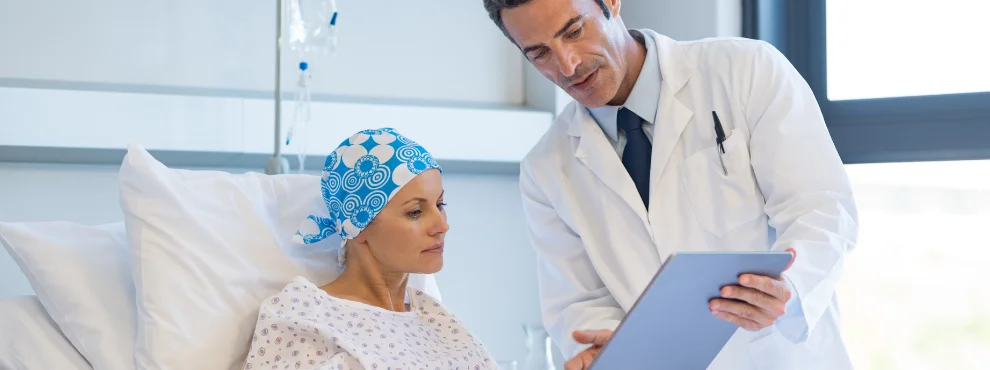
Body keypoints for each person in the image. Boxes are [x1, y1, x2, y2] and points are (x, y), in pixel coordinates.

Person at [482, 0, 859, 369]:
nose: (568, 64)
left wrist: (790, 288)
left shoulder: (746, 70)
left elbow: (820, 208)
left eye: (575, 31)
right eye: (539, 53)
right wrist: (608, 351)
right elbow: (579, 301)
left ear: (611, 3)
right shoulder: (545, 168)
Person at [242, 128, 498, 369]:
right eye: (415, 212)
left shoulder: (437, 319)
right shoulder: (303, 315)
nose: (442, 225)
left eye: (441, 204)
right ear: (359, 225)